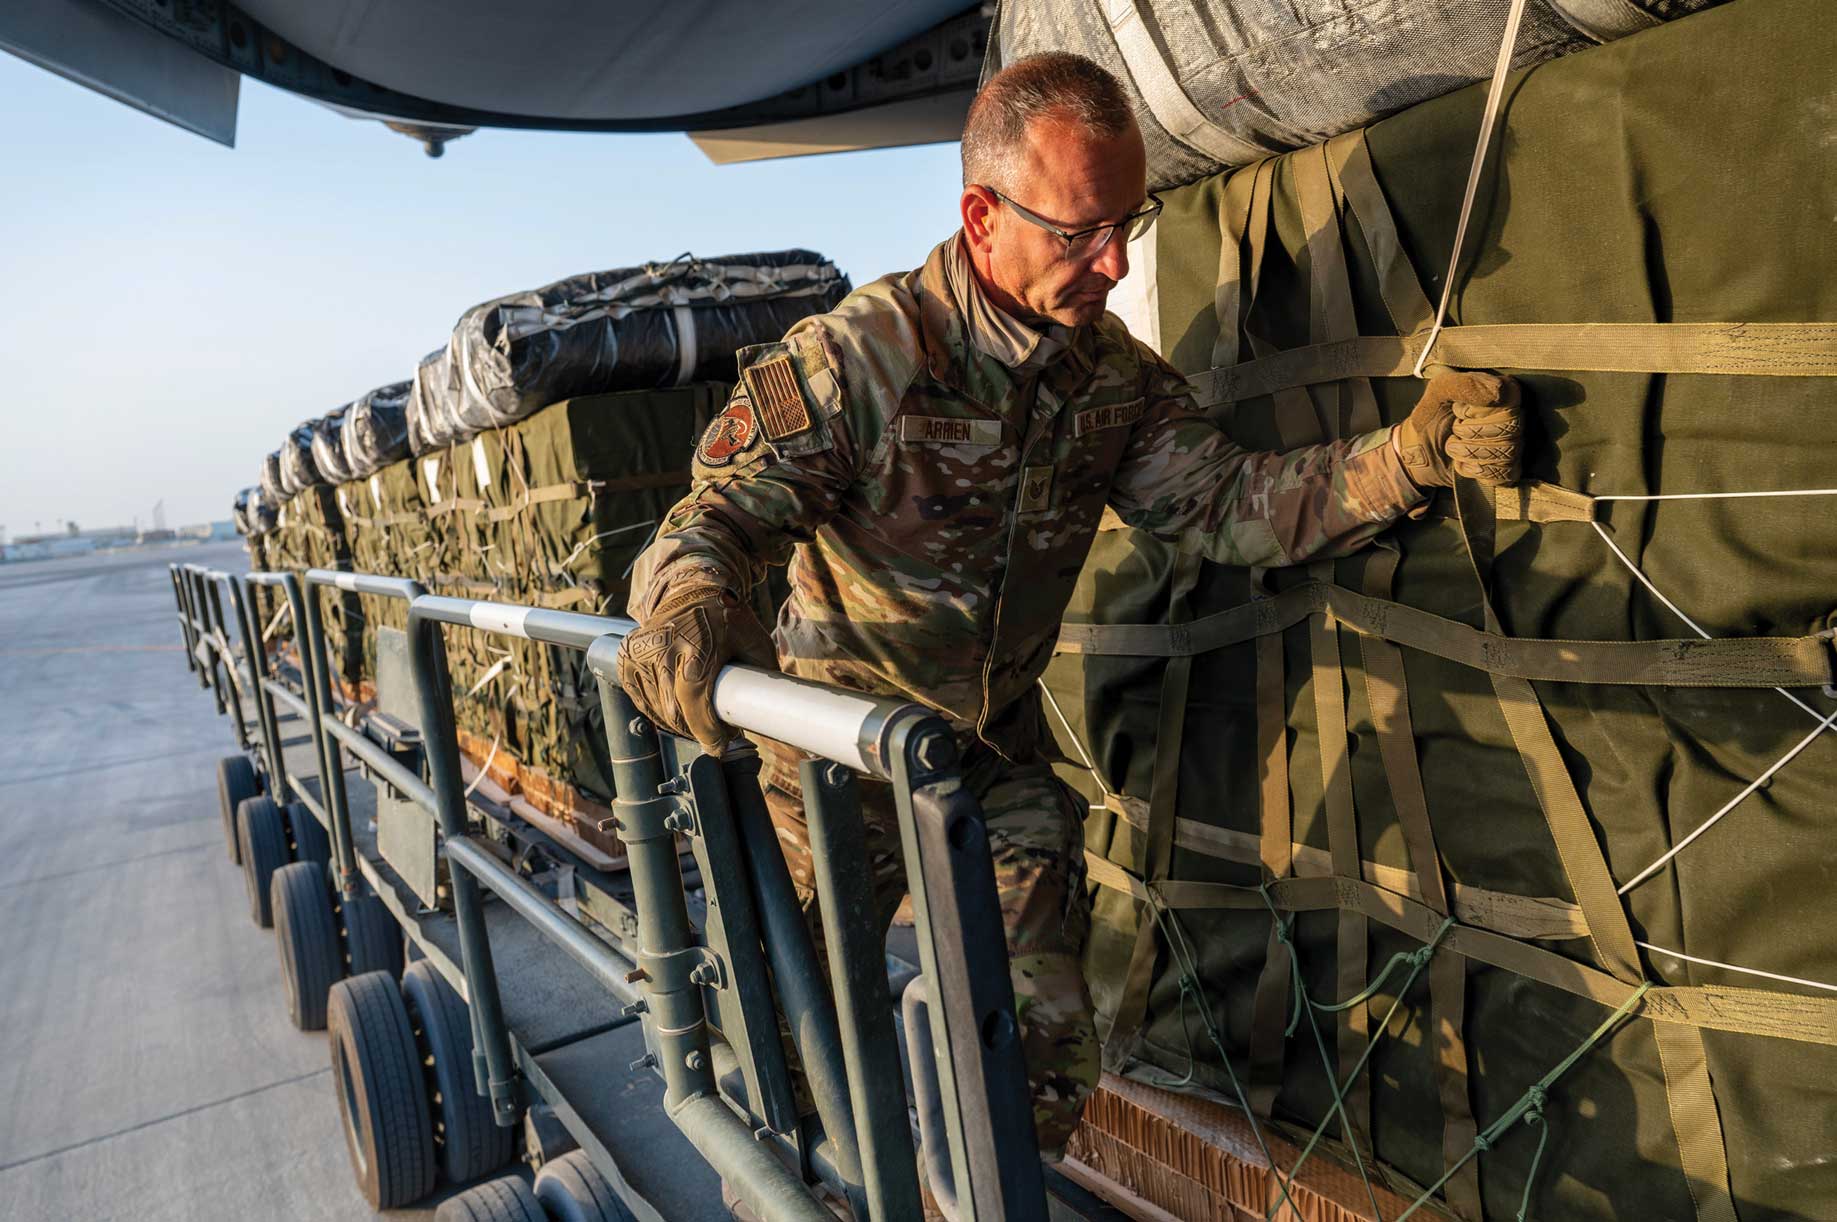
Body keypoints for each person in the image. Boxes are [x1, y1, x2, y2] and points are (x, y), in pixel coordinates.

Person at [619, 50, 1524, 1210]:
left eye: (1129, 223)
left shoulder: (1110, 381)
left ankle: (976, 1195)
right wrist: (687, 611)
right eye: (1079, 232)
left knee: (1042, 1051)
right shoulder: (864, 359)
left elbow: (1227, 507)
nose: (1117, 261)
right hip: (833, 766)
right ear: (981, 215)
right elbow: (715, 518)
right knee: (795, 1058)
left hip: (983, 755)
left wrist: (1407, 461)